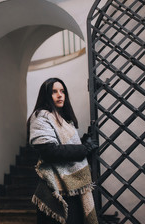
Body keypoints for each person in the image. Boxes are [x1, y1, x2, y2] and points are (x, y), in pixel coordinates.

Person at [27, 77, 98, 224]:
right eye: (54, 92)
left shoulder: (65, 120)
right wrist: (84, 149)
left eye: (62, 91)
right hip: (55, 191)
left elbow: (65, 147)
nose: (60, 95)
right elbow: (49, 151)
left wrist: (83, 143)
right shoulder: (40, 116)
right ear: (46, 95)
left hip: (73, 189)